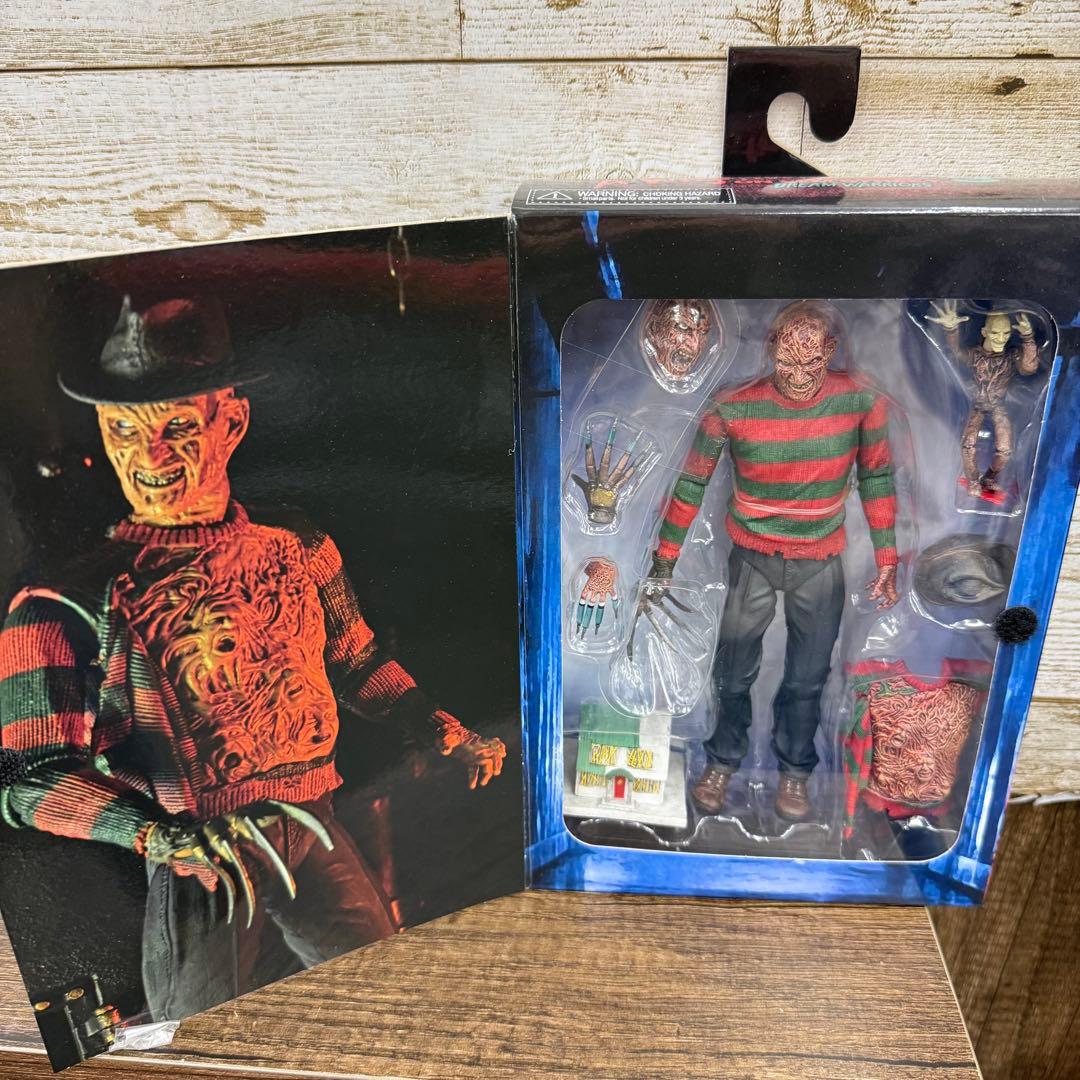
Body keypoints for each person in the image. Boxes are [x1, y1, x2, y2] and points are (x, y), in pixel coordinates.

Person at [0, 295, 506, 1021]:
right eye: (124, 429)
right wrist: (155, 833)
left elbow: (357, 660)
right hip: (203, 857)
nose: (149, 457)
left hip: (313, 825)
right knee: (199, 1030)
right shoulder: (67, 602)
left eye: (177, 427)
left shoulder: (298, 546)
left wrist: (438, 727)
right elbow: (26, 778)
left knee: (385, 998)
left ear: (231, 422)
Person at [644, 302, 898, 822]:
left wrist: (888, 558)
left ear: (831, 352)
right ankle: (722, 759)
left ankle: (796, 772)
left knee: (808, 678)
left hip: (820, 560)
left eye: (812, 363)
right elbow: (690, 484)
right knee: (732, 671)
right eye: (788, 362)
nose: (799, 376)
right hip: (752, 556)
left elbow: (877, 475)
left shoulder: (861, 400)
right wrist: (664, 561)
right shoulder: (732, 406)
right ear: (771, 349)